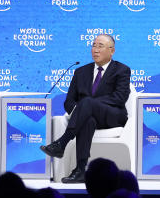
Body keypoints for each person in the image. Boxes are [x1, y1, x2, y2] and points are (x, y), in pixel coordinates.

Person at [39, 34, 131, 184]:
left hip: (112, 116)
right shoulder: (80, 72)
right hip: (85, 118)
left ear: (112, 50)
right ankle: (80, 170)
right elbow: (69, 101)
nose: (95, 50)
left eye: (100, 46)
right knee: (87, 120)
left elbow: (119, 98)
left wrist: (88, 104)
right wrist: (81, 110)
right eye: (93, 45)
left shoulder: (121, 70)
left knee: (87, 103)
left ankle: (61, 143)